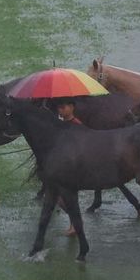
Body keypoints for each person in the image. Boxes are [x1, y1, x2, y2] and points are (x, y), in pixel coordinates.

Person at [53, 97, 82, 236]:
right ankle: (74, 223)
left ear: (72, 107)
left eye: (63, 107)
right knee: (61, 199)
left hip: (72, 167)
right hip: (62, 166)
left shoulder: (76, 124)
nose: (61, 110)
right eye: (59, 108)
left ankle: (74, 224)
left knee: (66, 198)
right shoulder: (59, 124)